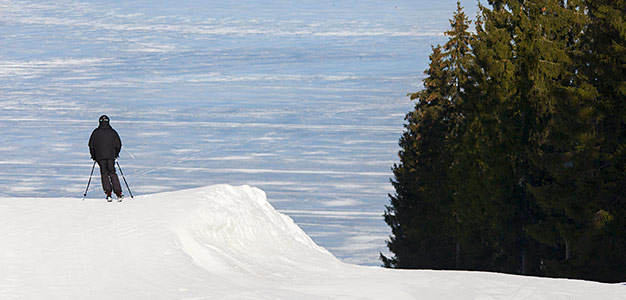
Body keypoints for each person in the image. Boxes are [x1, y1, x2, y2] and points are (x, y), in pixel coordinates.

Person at [88, 115, 124, 202]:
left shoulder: (95, 132)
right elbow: (118, 144)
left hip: (100, 157)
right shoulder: (113, 132)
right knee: (112, 173)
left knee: (104, 173)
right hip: (111, 156)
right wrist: (115, 154)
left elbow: (91, 145)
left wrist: (94, 156)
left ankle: (108, 193)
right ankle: (118, 193)